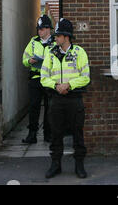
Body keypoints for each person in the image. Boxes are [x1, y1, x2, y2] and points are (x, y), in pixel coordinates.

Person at [40, 18, 90, 179]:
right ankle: (56, 165)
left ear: (66, 37)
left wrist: (68, 85)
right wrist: (56, 86)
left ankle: (79, 166)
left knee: (77, 133)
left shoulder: (79, 53)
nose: (55, 38)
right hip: (56, 99)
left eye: (58, 35)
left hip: (74, 99)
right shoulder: (51, 53)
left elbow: (86, 77)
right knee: (56, 133)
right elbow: (43, 77)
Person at [21, 15, 55, 144]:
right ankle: (32, 134)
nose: (39, 31)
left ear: (48, 29)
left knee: (49, 107)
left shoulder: (55, 42)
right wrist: (29, 61)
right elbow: (24, 59)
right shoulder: (33, 41)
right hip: (35, 78)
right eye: (38, 29)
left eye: (41, 29)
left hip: (49, 78)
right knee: (34, 107)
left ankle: (48, 134)